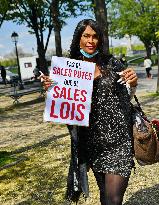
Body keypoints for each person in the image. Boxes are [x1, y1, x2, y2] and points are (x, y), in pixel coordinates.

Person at [42, 19, 138, 205]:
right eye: (86, 35)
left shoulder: (112, 63)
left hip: (119, 141)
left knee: (114, 199)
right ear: (78, 38)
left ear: (100, 40)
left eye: (95, 36)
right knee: (104, 195)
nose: (91, 41)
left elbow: (128, 95)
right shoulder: (67, 69)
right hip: (92, 144)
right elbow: (63, 107)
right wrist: (50, 89)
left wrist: (133, 84)